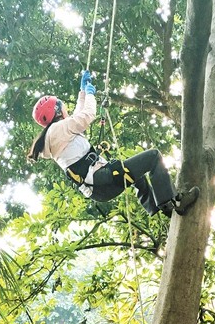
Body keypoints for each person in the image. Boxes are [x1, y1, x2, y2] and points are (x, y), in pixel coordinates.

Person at [28, 71, 199, 218]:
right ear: (57, 110)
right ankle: (173, 203)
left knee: (137, 174)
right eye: (62, 106)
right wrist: (90, 94)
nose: (65, 108)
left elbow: (77, 118)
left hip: (98, 188)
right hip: (101, 179)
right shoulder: (57, 130)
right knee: (153, 157)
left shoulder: (56, 134)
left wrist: (82, 92)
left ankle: (157, 207)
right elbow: (87, 115)